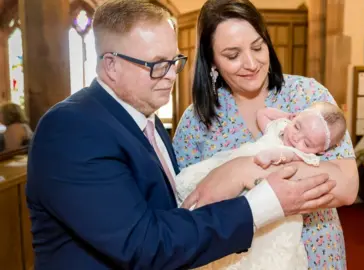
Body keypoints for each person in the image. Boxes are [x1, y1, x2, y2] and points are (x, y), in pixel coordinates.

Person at [25, 1, 338, 269]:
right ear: (111, 66)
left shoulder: (147, 120)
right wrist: (261, 203)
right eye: (157, 65)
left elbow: (175, 212)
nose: (172, 75)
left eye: (175, 61)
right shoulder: (71, 128)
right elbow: (143, 245)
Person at [172, 0, 359, 269]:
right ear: (211, 60)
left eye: (258, 47)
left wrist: (241, 170)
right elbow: (189, 208)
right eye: (232, 55)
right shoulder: (196, 121)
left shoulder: (307, 96)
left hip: (314, 251)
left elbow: (345, 186)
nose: (251, 63)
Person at [174, 102, 347, 269]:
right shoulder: (281, 128)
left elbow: (282, 157)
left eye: (307, 143)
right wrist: (287, 117)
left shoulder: (299, 154)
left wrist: (271, 156)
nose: (296, 138)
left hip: (266, 195)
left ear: (320, 151)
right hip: (235, 167)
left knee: (259, 246)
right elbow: (262, 114)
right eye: (297, 126)